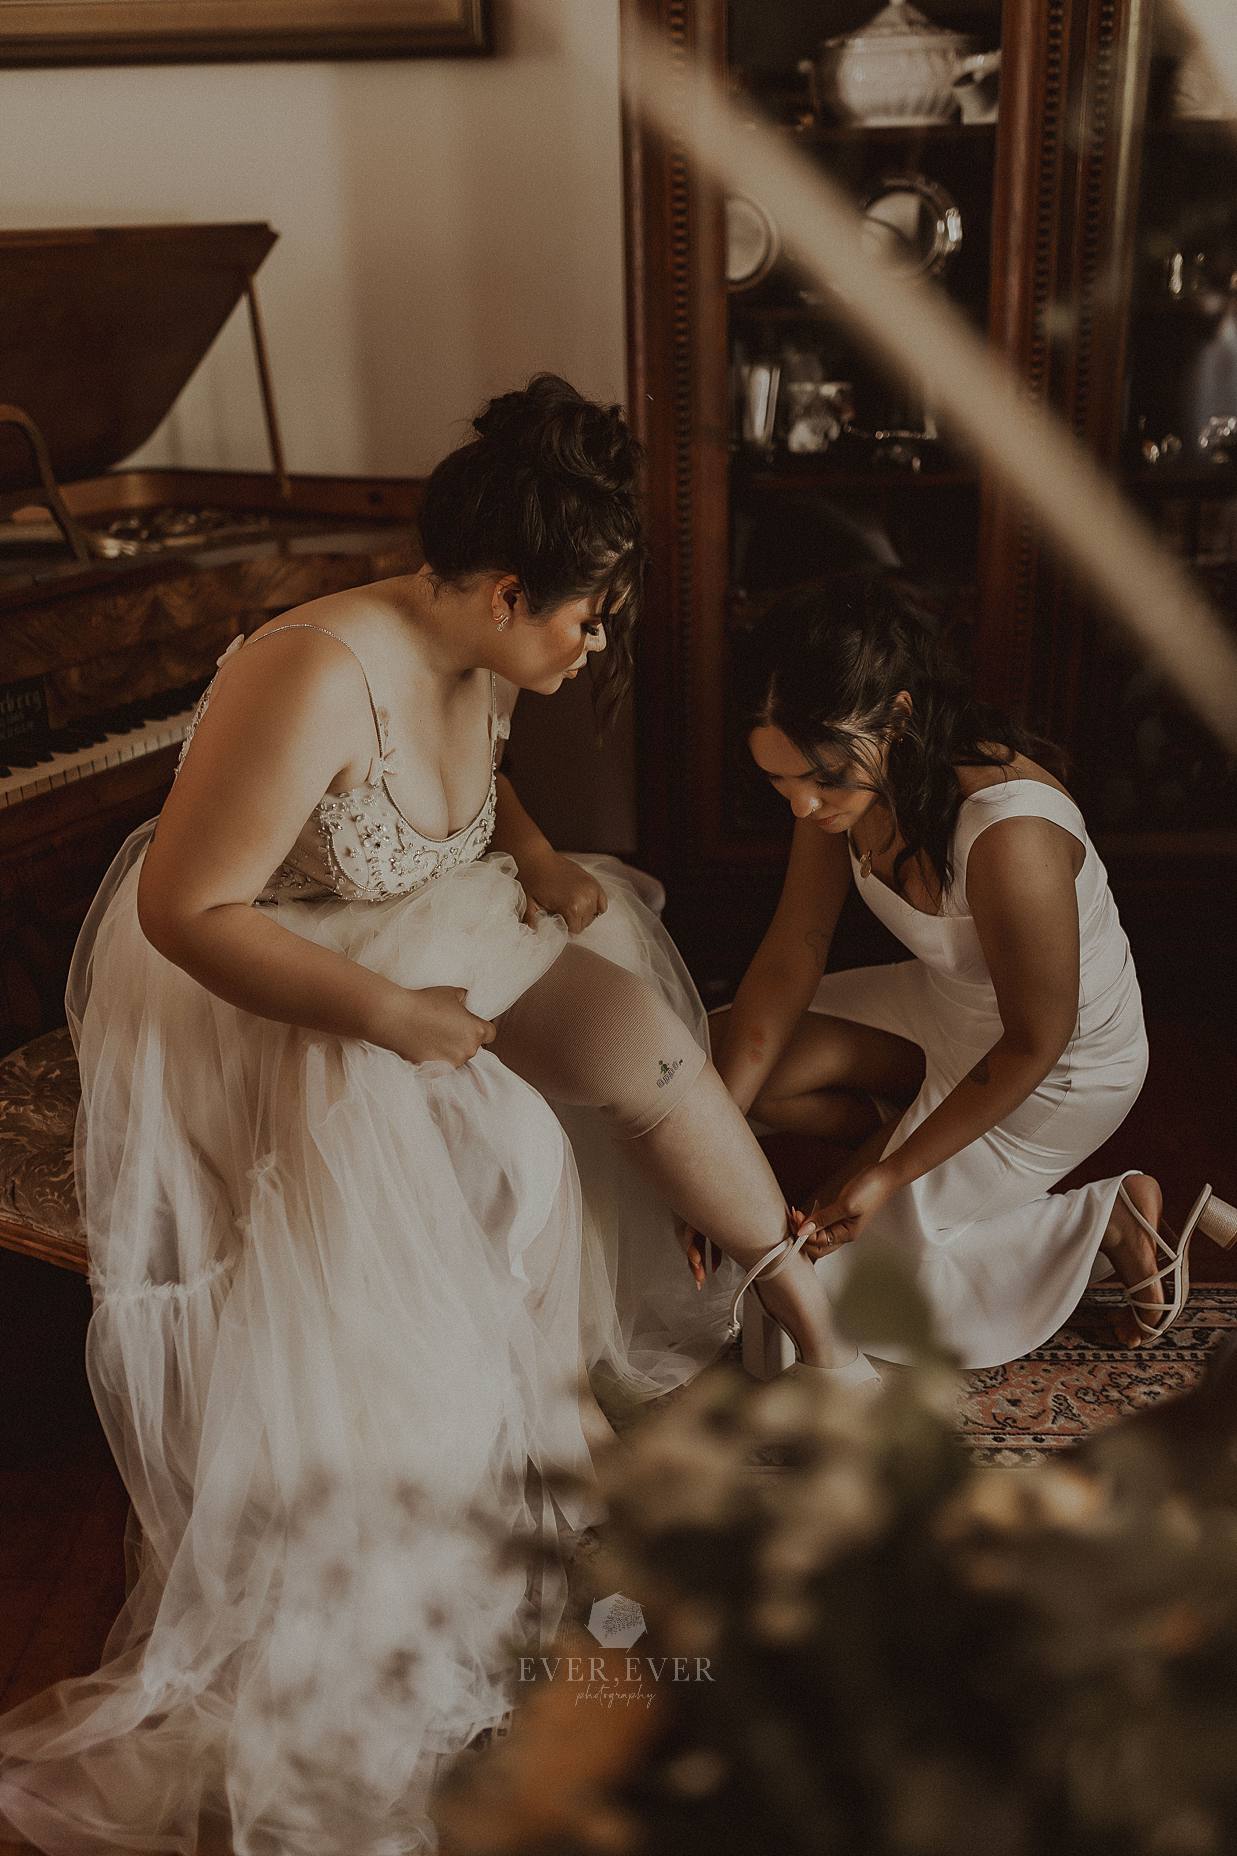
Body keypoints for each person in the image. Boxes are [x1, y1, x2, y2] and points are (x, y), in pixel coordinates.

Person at [0, 376, 870, 1856]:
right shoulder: (311, 671)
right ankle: (529, 1457)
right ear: (506, 590)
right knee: (509, 1147)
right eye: (587, 617)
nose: (596, 643)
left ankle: (807, 1316)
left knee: (649, 1046)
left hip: (426, 912)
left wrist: (537, 856)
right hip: (272, 983)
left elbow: (473, 789)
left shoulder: (482, 644)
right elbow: (185, 910)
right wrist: (394, 1019)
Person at [706, 569, 1230, 1374]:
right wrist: (711, 1138)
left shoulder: (1007, 831)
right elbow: (793, 950)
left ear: (896, 718)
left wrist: (888, 1174)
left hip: (1059, 1067)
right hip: (944, 1005)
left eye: (820, 779)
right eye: (779, 783)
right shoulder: (838, 778)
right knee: (714, 1065)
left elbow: (1035, 1041)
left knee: (821, 1299)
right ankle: (917, 1126)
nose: (802, 807)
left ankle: (1103, 1219)